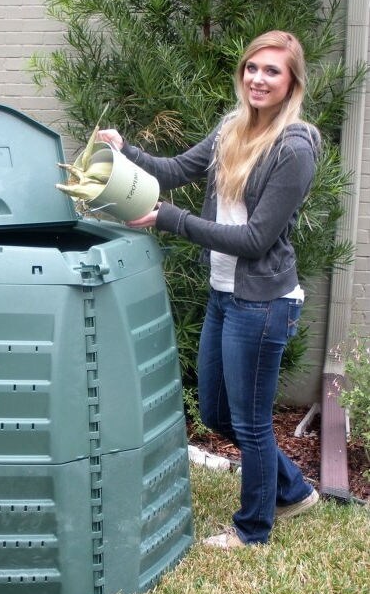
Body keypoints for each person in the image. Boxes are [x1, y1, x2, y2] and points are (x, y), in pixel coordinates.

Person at [98, 30, 320, 548]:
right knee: (218, 412)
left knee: (251, 422)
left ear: (291, 84)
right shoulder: (231, 128)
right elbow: (176, 170)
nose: (258, 79)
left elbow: (255, 238)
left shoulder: (294, 146)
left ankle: (253, 531)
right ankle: (294, 490)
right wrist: (124, 150)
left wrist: (168, 220)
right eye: (252, 68)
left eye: (272, 71)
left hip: (263, 303)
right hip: (226, 296)